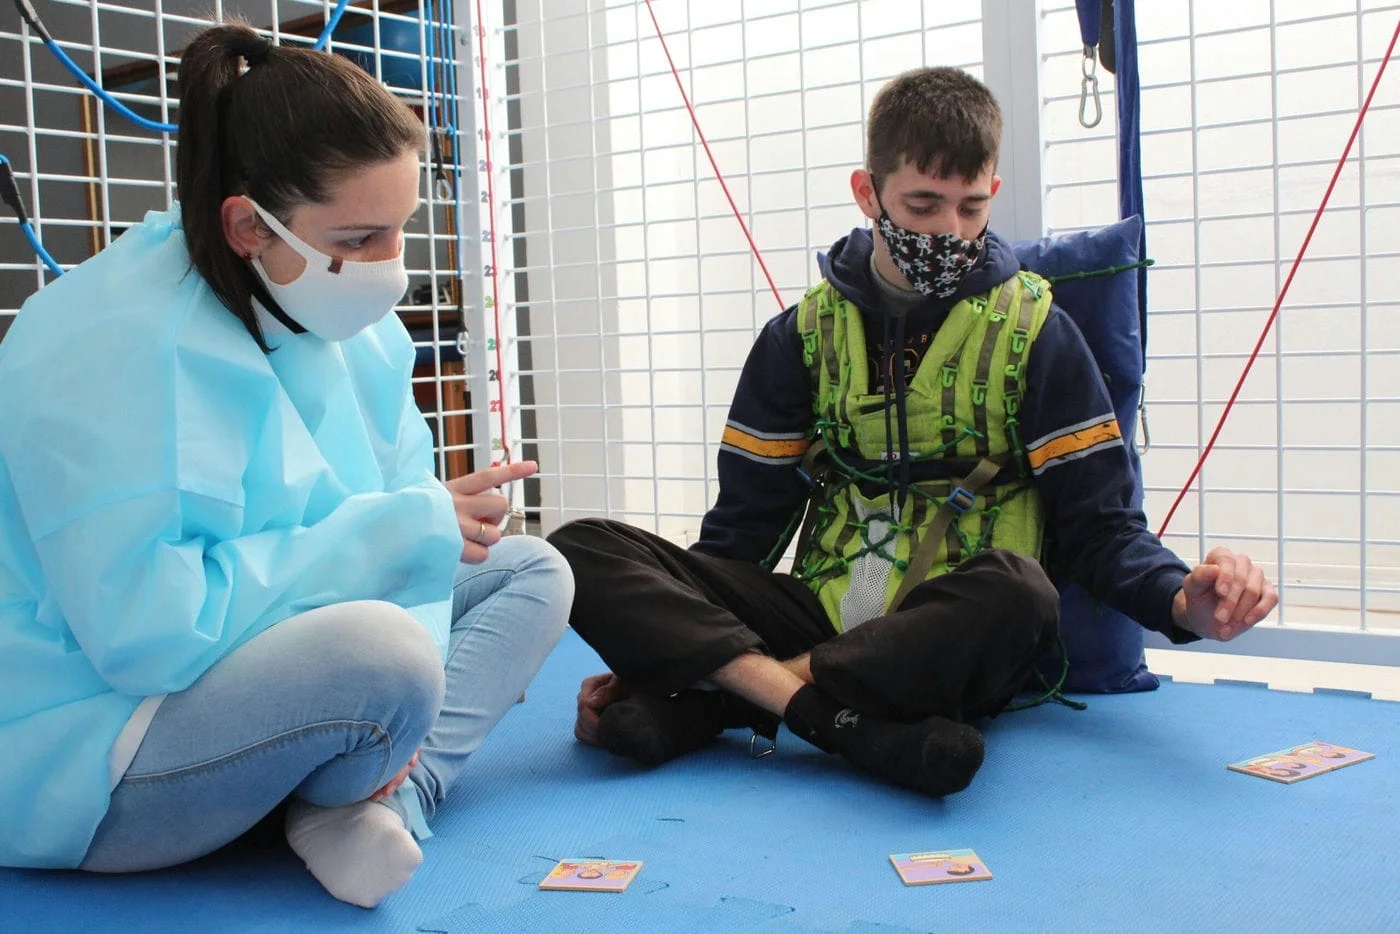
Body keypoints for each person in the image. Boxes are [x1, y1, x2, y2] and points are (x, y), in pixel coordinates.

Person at [548, 67, 1277, 799]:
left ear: (992, 192)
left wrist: (1182, 601)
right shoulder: (797, 338)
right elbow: (744, 527)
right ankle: (833, 720)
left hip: (954, 632)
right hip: (823, 609)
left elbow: (1102, 529)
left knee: (1023, 592)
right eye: (922, 204)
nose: (949, 231)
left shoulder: (1040, 333)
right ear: (867, 192)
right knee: (577, 549)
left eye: (970, 206)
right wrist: (667, 636)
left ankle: (729, 695)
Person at [0, 23, 573, 909]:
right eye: (359, 237)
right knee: (384, 658)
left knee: (532, 568)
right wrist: (398, 534)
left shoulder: (341, 320)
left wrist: (412, 531)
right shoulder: (115, 346)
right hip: (96, 745)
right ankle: (353, 788)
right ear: (244, 225)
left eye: (401, 231)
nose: (392, 269)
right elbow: (148, 636)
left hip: (269, 659)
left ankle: (381, 791)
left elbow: (395, 512)